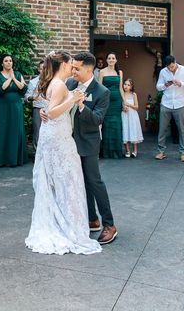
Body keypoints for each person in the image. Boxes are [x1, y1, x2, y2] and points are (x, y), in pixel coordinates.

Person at [25, 51, 101, 255]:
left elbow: (48, 109)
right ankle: (68, 226)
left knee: (60, 180)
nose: (73, 68)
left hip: (57, 134)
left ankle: (64, 221)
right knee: (68, 180)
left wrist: (50, 109)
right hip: (58, 138)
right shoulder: (59, 84)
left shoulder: (57, 83)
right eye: (70, 65)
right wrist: (73, 99)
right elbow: (52, 111)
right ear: (63, 65)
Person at [68, 52, 117, 244]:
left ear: (89, 70)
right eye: (72, 67)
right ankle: (91, 219)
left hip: (88, 143)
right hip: (69, 142)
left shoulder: (102, 92)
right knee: (80, 181)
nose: (73, 71)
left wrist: (81, 105)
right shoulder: (70, 84)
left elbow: (97, 119)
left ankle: (110, 224)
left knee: (94, 182)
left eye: (77, 68)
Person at [0, 55, 28, 167]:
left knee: (15, 130)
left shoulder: (18, 74)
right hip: (2, 107)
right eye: (6, 61)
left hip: (16, 107)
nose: (9, 62)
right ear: (2, 63)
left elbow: (23, 88)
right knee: (2, 130)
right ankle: (1, 159)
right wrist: (10, 78)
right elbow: (1, 88)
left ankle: (15, 159)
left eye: (10, 61)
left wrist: (14, 78)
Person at [155, 55, 184, 162]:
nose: (170, 69)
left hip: (180, 104)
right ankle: (160, 152)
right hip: (166, 103)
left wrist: (181, 83)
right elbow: (158, 87)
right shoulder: (163, 72)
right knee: (162, 129)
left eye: (172, 66)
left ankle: (183, 153)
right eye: (168, 67)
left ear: (175, 62)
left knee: (182, 129)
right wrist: (165, 85)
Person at [98, 52, 124, 159]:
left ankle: (117, 152)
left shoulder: (119, 72)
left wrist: (124, 102)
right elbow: (99, 88)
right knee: (107, 124)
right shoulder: (102, 71)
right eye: (109, 58)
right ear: (107, 60)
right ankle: (106, 152)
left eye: (113, 58)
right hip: (106, 101)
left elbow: (121, 88)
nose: (111, 60)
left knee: (116, 124)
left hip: (117, 101)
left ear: (116, 60)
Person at [23, 61, 46, 156]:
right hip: (38, 109)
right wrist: (33, 97)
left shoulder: (54, 81)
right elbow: (26, 97)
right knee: (38, 132)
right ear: (38, 69)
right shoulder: (33, 82)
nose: (43, 70)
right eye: (41, 68)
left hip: (52, 109)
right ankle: (37, 155)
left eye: (45, 68)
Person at [121, 78, 143, 158]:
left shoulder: (134, 94)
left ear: (131, 86)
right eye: (125, 84)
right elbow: (121, 105)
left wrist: (128, 105)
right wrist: (123, 108)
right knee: (125, 130)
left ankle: (135, 150)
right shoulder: (122, 94)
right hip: (124, 115)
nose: (126, 86)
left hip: (133, 115)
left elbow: (137, 107)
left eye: (128, 85)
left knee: (133, 130)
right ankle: (127, 150)